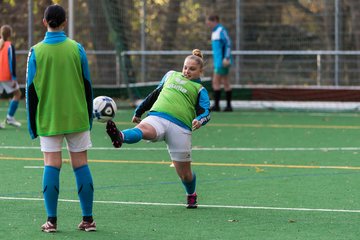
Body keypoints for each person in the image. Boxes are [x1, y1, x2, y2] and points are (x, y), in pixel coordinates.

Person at [106, 49, 211, 208]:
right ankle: (120, 136)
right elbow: (154, 94)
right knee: (143, 130)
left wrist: (199, 120)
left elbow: (206, 111)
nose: (186, 71)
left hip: (180, 127)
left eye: (192, 69)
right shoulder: (171, 75)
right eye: (185, 67)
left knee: (185, 174)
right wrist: (139, 111)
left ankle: (191, 194)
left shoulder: (200, 90)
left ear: (201, 71)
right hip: (158, 116)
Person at [26, 4, 95, 233]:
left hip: (49, 117)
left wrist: (32, 125)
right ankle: (88, 221)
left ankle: (52, 222)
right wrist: (88, 118)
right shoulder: (77, 48)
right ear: (65, 22)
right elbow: (87, 85)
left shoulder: (35, 51)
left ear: (44, 22)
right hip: (77, 116)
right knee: (81, 165)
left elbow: (30, 92)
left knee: (51, 165)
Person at [206, 14, 233, 112]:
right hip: (218, 61)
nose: (208, 25)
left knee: (216, 81)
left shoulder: (221, 30)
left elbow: (228, 43)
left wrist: (226, 58)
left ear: (215, 21)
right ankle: (228, 106)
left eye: (209, 23)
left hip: (222, 61)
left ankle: (217, 105)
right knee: (225, 82)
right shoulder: (214, 32)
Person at [0, 25, 22, 128]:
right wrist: (13, 78)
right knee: (18, 94)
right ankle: (9, 117)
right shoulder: (9, 46)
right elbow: (12, 62)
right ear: (10, 34)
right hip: (6, 76)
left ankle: (9, 118)